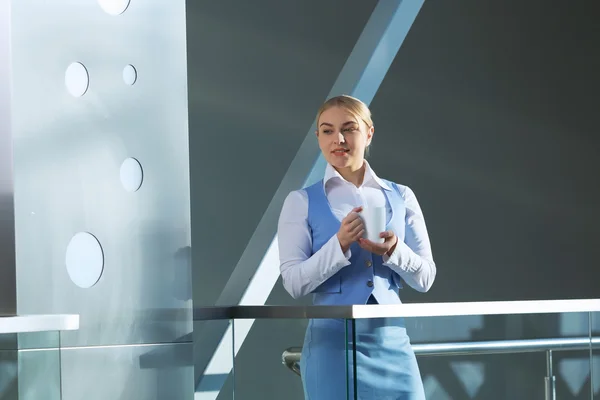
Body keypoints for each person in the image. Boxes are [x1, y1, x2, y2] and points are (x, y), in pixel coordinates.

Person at [277, 95, 437, 399]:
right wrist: (339, 245)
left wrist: (393, 251)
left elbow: (426, 278)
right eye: (327, 130)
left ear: (368, 133)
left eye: (349, 128)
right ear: (318, 138)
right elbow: (294, 283)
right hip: (331, 346)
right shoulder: (300, 202)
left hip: (391, 341)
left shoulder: (402, 196)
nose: (338, 139)